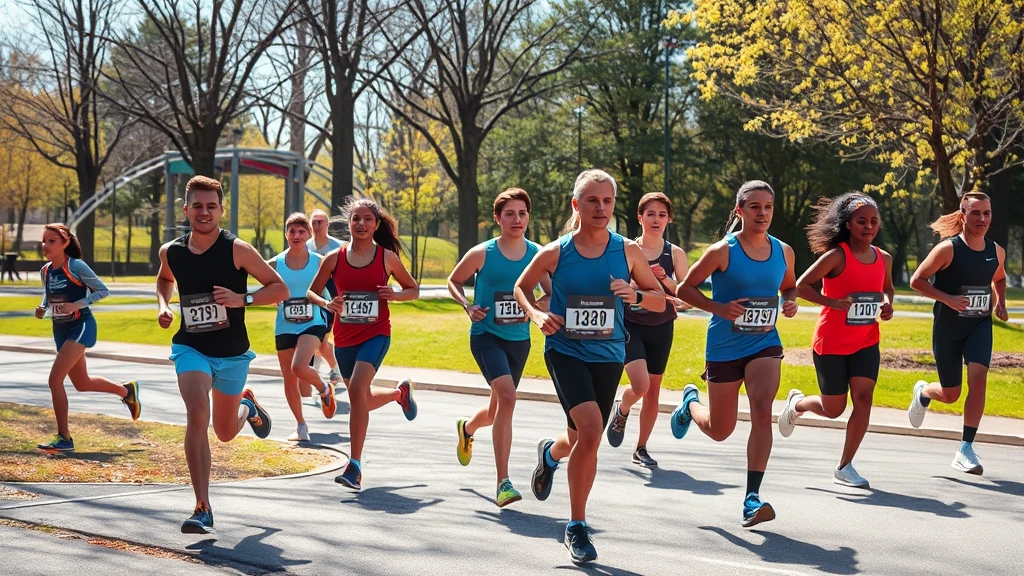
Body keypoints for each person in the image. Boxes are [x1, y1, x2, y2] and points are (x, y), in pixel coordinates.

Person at [516, 169, 665, 565]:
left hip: (609, 354)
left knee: (580, 437)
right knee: (592, 430)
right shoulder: (556, 251)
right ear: (576, 205)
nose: (601, 208)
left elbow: (658, 299)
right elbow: (521, 287)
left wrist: (634, 294)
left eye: (607, 201)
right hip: (565, 350)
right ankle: (577, 526)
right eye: (592, 200)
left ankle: (551, 455)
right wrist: (536, 314)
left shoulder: (627, 251)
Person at [156, 176, 289, 535]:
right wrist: (164, 305)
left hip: (232, 353)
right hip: (191, 347)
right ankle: (202, 506)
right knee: (197, 413)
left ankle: (247, 406)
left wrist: (242, 299)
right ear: (186, 209)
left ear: (221, 209)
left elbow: (279, 288)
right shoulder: (171, 251)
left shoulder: (238, 250)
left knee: (226, 432)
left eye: (211, 206)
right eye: (198, 206)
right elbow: (165, 279)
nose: (204, 212)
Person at [670, 180, 799, 528]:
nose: (762, 213)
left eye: (768, 207)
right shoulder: (722, 251)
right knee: (720, 429)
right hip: (725, 346)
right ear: (740, 211)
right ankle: (690, 405)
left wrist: (789, 302)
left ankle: (752, 498)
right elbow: (684, 289)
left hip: (764, 342)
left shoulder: (783, 251)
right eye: (755, 207)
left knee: (762, 410)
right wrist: (719, 308)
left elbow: (789, 285)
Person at [777, 193, 894, 488]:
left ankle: (845, 466)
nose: (869, 226)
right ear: (848, 225)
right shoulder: (837, 256)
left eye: (874, 221)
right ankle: (797, 404)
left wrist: (887, 303)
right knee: (834, 410)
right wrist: (832, 302)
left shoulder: (884, 258)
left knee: (864, 399)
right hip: (831, 342)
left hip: (866, 340)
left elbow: (887, 288)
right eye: (861, 221)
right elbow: (802, 285)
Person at [308, 196, 419, 491]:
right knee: (361, 398)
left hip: (376, 333)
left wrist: (395, 294)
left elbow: (413, 290)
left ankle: (354, 466)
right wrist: (327, 303)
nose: (361, 223)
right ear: (349, 223)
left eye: (367, 219)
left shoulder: (386, 258)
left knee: (357, 389)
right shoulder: (334, 258)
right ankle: (398, 394)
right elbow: (311, 292)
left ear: (376, 224)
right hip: (345, 338)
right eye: (355, 218)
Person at [447, 188, 549, 508]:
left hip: (519, 340)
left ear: (528, 217)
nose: (517, 219)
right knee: (507, 397)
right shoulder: (483, 253)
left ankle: (467, 428)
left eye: (522, 213)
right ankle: (503, 482)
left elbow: (551, 293)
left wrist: (533, 307)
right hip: (486, 336)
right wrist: (467, 306)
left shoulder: (538, 254)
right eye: (509, 214)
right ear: (498, 218)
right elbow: (453, 281)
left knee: (496, 411)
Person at [908, 191, 1008, 475]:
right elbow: (917, 280)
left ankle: (965, 448)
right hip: (948, 328)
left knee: (979, 379)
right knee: (951, 393)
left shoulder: (996, 251)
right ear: (963, 216)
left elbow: (999, 278)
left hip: (979, 325)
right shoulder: (947, 249)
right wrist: (947, 299)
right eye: (975, 213)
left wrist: (1000, 302)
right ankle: (924, 392)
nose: (982, 218)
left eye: (986, 213)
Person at [34, 223, 141, 452]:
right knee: (82, 383)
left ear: (65, 242)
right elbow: (48, 295)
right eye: (44, 241)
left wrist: (78, 304)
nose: (46, 245)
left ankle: (64, 438)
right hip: (60, 329)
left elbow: (102, 290)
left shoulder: (75, 266)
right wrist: (42, 307)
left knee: (54, 380)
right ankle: (127, 392)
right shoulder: (45, 271)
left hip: (81, 326)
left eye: (52, 241)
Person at [605, 192, 689, 468]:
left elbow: (686, 297)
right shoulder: (627, 250)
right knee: (640, 385)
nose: (656, 219)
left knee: (653, 392)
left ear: (668, 219)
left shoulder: (674, 254)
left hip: (661, 326)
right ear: (640, 218)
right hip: (631, 325)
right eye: (650, 214)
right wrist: (633, 287)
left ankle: (641, 447)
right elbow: (613, 286)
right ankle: (622, 407)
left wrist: (666, 282)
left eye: (662, 215)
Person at [268, 212, 338, 442]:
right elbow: (262, 287)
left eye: (301, 231)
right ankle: (300, 425)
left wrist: (331, 317)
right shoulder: (275, 264)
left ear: (308, 234)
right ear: (286, 234)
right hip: (285, 325)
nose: (296, 236)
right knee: (290, 379)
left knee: (299, 367)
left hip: (313, 322)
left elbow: (333, 292)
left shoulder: (320, 261)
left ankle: (323, 388)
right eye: (292, 231)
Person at [307, 209, 344, 388]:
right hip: (309, 299)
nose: (317, 226)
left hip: (331, 299)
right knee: (314, 339)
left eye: (320, 222)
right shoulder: (305, 246)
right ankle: (326, 369)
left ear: (327, 225)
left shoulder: (338, 247)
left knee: (321, 340)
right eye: (314, 222)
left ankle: (335, 369)